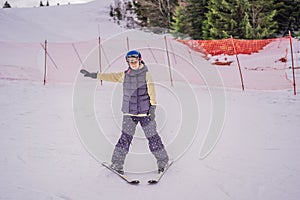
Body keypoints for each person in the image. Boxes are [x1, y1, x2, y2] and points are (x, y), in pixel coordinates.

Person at [80, 50, 169, 174]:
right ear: (128, 62)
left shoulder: (146, 74)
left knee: (152, 137)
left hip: (145, 113)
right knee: (125, 139)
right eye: (130, 61)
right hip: (129, 113)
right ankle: (117, 164)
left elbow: (152, 91)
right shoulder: (125, 75)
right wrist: (94, 75)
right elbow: (110, 76)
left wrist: (153, 107)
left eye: (135, 61)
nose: (133, 63)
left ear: (139, 60)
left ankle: (163, 161)